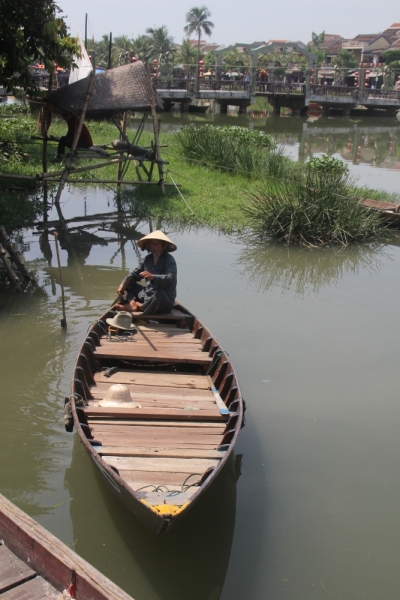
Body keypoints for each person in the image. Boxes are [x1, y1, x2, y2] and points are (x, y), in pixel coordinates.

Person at [115, 230, 177, 315]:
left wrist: (153, 277)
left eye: (157, 244)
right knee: (130, 285)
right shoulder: (147, 259)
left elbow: (171, 278)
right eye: (152, 244)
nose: (155, 247)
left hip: (163, 300)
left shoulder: (169, 259)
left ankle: (141, 307)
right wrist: (123, 284)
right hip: (147, 295)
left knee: (159, 294)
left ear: (164, 245)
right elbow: (133, 275)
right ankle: (132, 304)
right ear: (149, 246)